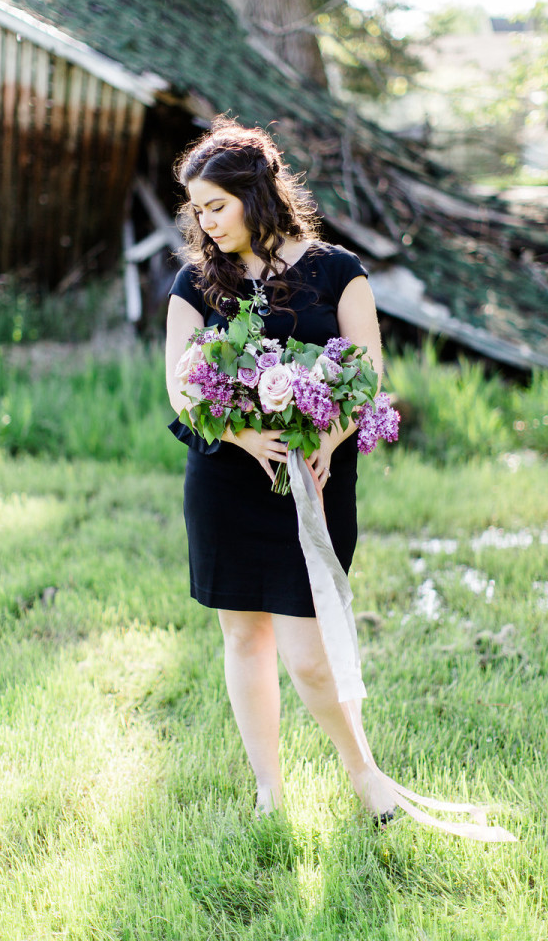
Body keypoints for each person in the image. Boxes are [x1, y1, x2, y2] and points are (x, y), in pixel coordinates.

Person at [165, 117, 395, 822]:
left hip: (315, 484)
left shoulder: (339, 271)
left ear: (256, 194)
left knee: (308, 652)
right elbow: (179, 383)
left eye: (216, 207)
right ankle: (270, 789)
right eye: (196, 210)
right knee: (243, 635)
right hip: (228, 479)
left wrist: (332, 436)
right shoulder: (197, 280)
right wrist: (238, 435)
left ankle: (364, 773)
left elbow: (368, 374)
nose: (205, 224)